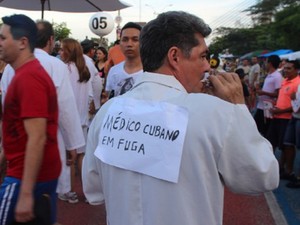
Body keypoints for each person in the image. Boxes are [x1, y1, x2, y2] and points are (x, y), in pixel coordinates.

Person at [83, 11, 279, 225]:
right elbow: (262, 175)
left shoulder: (107, 112)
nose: (207, 66)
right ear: (175, 57)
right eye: (203, 56)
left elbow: (94, 191)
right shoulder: (215, 113)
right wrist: (238, 107)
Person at [0, 20, 86, 204]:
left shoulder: (10, 67)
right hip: (47, 146)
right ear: (51, 39)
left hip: (18, 145)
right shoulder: (55, 66)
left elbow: (5, 107)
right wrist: (73, 144)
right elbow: (65, 108)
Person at [0, 14, 61, 224]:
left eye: (2, 38)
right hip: (28, 173)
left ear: (22, 43)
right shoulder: (24, 73)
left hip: (25, 177)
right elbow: (19, 130)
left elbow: (37, 137)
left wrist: (25, 194)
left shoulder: (29, 78)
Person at [59, 38, 93, 203]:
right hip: (83, 119)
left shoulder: (65, 69)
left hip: (70, 120)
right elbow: (90, 95)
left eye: (62, 49)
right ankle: (87, 193)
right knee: (81, 158)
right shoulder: (84, 70)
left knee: (69, 159)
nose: (59, 52)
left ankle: (69, 191)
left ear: (68, 51)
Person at [266, 59, 300, 181]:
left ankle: (284, 169)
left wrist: (280, 111)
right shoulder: (285, 80)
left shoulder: (298, 83)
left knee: (286, 145)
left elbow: (297, 104)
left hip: (287, 118)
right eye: (285, 68)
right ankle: (278, 168)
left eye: (289, 68)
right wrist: (276, 106)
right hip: (277, 116)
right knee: (275, 142)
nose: (285, 70)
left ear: (296, 70)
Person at [105, 22, 143, 99]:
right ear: (120, 43)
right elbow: (109, 97)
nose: (129, 44)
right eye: (125, 40)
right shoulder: (114, 71)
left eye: (135, 40)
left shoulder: (150, 72)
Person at [254, 55, 282, 137]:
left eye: (266, 62)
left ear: (270, 63)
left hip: (267, 107)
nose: (265, 64)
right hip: (261, 105)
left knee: (265, 130)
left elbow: (278, 94)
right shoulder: (269, 75)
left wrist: (264, 93)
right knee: (257, 127)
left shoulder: (277, 76)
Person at [81, 39, 103, 114]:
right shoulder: (87, 62)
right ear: (91, 51)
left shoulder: (85, 61)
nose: (94, 52)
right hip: (92, 104)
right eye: (93, 49)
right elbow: (88, 82)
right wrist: (91, 102)